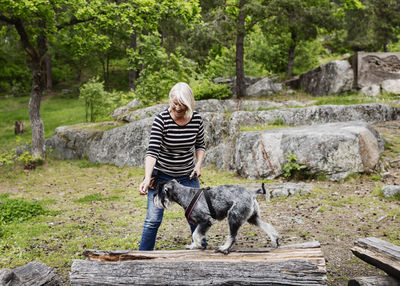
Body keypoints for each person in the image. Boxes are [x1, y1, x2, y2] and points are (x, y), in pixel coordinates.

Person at [138, 82, 206, 251]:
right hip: (161, 177)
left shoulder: (196, 119)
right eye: (174, 103)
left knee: (196, 217)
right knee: (153, 220)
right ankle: (142, 258)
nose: (177, 108)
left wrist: (198, 165)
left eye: (181, 104)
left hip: (187, 176)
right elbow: (152, 151)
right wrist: (147, 178)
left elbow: (200, 145)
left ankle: (202, 255)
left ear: (189, 103)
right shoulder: (162, 120)